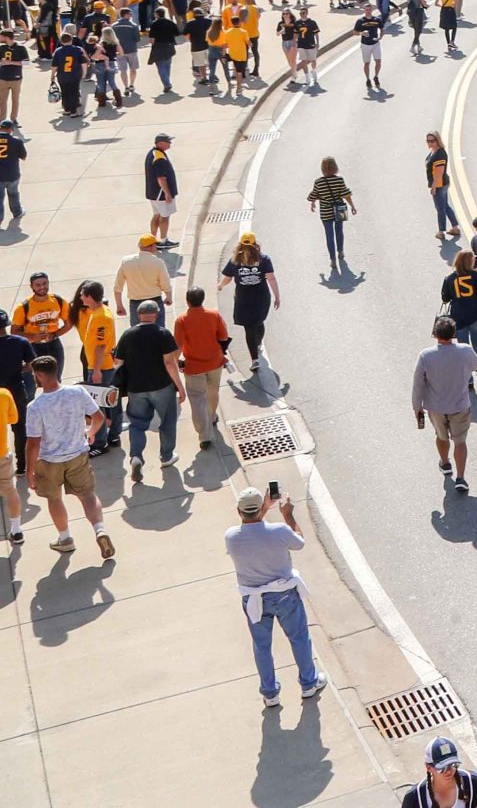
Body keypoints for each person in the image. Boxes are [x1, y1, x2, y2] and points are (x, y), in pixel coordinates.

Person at [228, 485, 320, 705]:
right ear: (260, 508)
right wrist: (288, 515)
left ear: (238, 511)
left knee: (262, 646)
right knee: (299, 639)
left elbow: (253, 529)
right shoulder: (280, 530)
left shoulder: (231, 537)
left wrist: (263, 510)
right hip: (284, 595)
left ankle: (270, 693)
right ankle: (309, 684)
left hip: (254, 599)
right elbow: (299, 542)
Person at [24, 357, 110, 556]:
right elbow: (99, 418)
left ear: (39, 375)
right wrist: (90, 432)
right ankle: (100, 530)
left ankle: (65, 538)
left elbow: (33, 443)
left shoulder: (35, 407)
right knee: (87, 495)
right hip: (77, 454)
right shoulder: (77, 392)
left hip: (49, 460)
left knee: (54, 499)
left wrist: (30, 471)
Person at [112, 296, 182, 479]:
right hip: (162, 387)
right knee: (167, 421)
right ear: (156, 314)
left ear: (139, 315)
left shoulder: (127, 335)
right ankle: (166, 456)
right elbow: (170, 363)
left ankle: (136, 456)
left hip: (136, 389)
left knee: (137, 424)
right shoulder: (163, 333)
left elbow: (117, 363)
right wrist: (180, 387)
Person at [412, 315, 477, 494]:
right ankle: (461, 477)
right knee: (460, 441)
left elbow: (418, 383)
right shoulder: (464, 350)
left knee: (441, 436)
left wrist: (417, 406)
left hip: (436, 407)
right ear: (454, 333)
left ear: (435, 334)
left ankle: (445, 463)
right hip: (460, 405)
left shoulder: (426, 356)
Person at [173, 286, 230, 450]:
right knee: (213, 391)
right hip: (215, 362)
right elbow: (223, 336)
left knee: (197, 399)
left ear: (187, 300)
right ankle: (212, 416)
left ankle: (205, 436)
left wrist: (176, 363)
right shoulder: (214, 315)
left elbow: (178, 345)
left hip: (194, 366)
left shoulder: (181, 320)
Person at [220, 233, 281, 374]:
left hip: (243, 300)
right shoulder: (264, 259)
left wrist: (220, 286)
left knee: (249, 328)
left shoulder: (235, 260)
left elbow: (228, 278)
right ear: (255, 244)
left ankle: (254, 359)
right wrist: (277, 296)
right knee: (258, 323)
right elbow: (271, 278)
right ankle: (258, 344)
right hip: (261, 298)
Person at [397, 737, 477, 808]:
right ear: (428, 767)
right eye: (442, 768)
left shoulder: (475, 783)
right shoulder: (413, 797)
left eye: (453, 765)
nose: (449, 771)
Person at [306, 155, 356, 271]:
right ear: (335, 167)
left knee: (329, 235)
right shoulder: (339, 180)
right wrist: (352, 206)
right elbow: (346, 194)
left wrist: (313, 202)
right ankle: (341, 252)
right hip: (340, 209)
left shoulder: (318, 182)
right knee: (339, 231)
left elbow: (314, 195)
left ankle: (332, 259)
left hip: (325, 211)